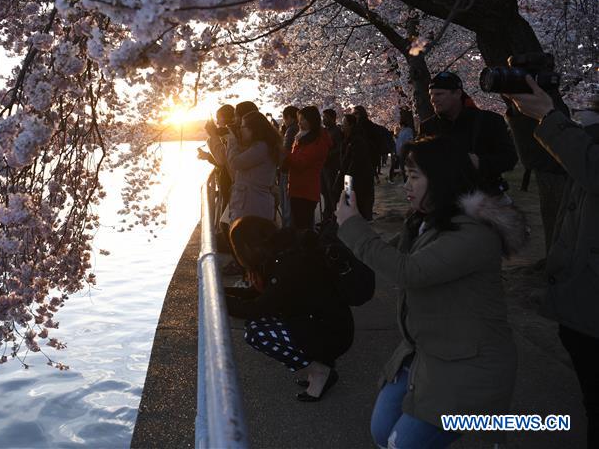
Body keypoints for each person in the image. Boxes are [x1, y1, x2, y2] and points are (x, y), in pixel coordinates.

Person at [336, 135, 524, 448]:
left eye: (413, 177)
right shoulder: (430, 221)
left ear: (442, 177)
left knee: (402, 443)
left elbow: (409, 271)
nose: (405, 186)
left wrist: (353, 226)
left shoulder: (474, 233)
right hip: (426, 353)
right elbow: (394, 256)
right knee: (382, 432)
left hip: (468, 364)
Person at [505, 79, 599, 448]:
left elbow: (592, 168)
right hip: (580, 291)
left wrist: (548, 115)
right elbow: (544, 159)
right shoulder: (589, 130)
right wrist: (523, 115)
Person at [225, 216, 354, 401]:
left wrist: (221, 300)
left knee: (257, 332)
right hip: (329, 324)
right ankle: (319, 364)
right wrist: (221, 292)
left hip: (331, 334)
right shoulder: (285, 253)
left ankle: (320, 372)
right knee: (261, 326)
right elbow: (259, 295)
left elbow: (257, 308)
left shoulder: (286, 266)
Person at [421, 71, 518, 197]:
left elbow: (509, 159)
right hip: (445, 199)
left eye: (439, 94)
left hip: (487, 197)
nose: (433, 99)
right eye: (431, 95)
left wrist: (479, 163)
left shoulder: (489, 121)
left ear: (457, 93)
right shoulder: (427, 127)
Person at [207, 110, 280, 222]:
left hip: (253, 206)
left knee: (248, 238)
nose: (240, 130)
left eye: (242, 127)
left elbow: (235, 162)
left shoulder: (261, 147)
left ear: (253, 129)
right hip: (251, 204)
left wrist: (231, 140)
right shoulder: (259, 146)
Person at [283, 106, 332, 231]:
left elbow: (300, 163)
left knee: (302, 227)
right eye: (299, 119)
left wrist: (284, 153)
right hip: (297, 188)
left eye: (302, 119)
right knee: (300, 225)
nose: (299, 123)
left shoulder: (318, 141)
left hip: (306, 190)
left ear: (312, 120)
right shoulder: (302, 137)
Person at [338, 113, 375, 220]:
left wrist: (345, 179)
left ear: (351, 125)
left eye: (344, 124)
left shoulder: (357, 140)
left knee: (358, 206)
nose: (342, 126)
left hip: (357, 179)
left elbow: (355, 163)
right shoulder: (347, 139)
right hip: (350, 178)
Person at [321, 108, 343, 221]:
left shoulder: (337, 131)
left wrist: (327, 154)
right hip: (324, 166)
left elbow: (339, 148)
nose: (323, 119)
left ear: (332, 118)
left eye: (325, 117)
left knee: (332, 192)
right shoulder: (325, 131)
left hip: (332, 166)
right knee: (324, 192)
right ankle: (327, 215)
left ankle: (334, 217)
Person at [279, 106, 300, 227]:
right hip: (295, 170)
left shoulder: (291, 130)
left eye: (284, 118)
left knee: (286, 204)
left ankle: (287, 230)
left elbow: (285, 152)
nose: (284, 121)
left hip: (286, 171)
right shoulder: (299, 129)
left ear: (289, 117)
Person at [392, 110, 415, 182]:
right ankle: (406, 179)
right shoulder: (403, 131)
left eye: (400, 125)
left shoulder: (407, 130)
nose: (400, 127)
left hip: (405, 150)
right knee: (403, 166)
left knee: (406, 165)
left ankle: (408, 179)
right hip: (401, 151)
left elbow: (409, 139)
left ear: (402, 125)